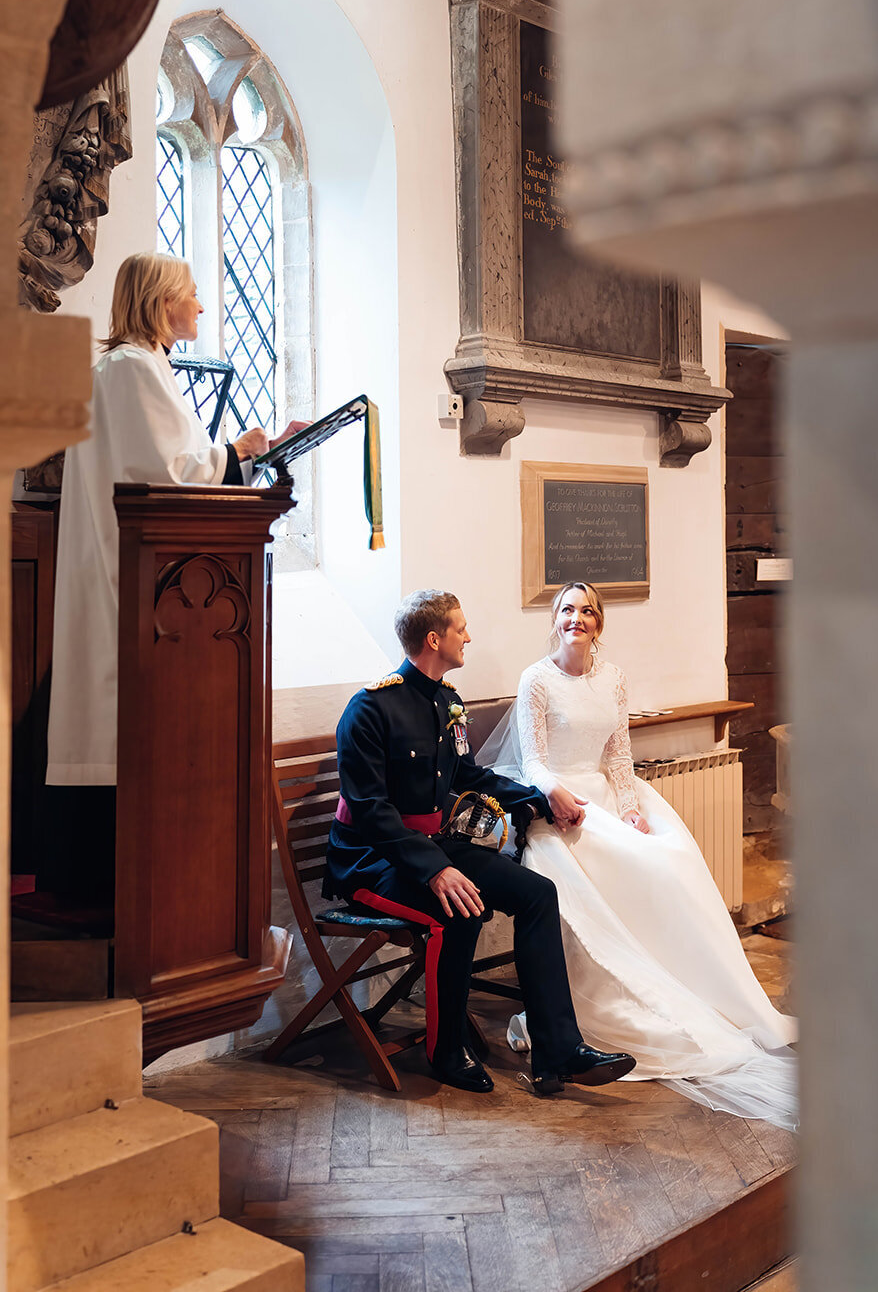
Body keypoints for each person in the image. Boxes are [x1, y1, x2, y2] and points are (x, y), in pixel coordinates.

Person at [487, 580, 798, 1131]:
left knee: (669, 858)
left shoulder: (613, 676)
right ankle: (590, 1010)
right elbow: (532, 759)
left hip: (609, 797)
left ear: (598, 623)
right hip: (556, 801)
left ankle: (694, 984)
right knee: (598, 873)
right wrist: (556, 795)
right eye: (566, 610)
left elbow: (620, 754)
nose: (575, 619)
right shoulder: (536, 680)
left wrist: (631, 809)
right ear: (554, 620)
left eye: (586, 611)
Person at [42, 253, 302, 893]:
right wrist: (239, 451)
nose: (202, 306)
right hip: (132, 581)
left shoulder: (139, 365)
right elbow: (168, 473)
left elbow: (170, 462)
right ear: (162, 303)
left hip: (141, 573)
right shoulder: (130, 367)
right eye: (192, 294)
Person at [323, 588, 637, 1096]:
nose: (468, 636)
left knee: (537, 894)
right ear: (434, 638)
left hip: (431, 845)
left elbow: (469, 774)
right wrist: (434, 868)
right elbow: (371, 812)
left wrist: (538, 797)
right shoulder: (370, 709)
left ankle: (558, 1052)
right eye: (460, 628)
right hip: (370, 861)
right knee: (459, 909)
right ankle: (445, 1050)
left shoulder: (447, 700)